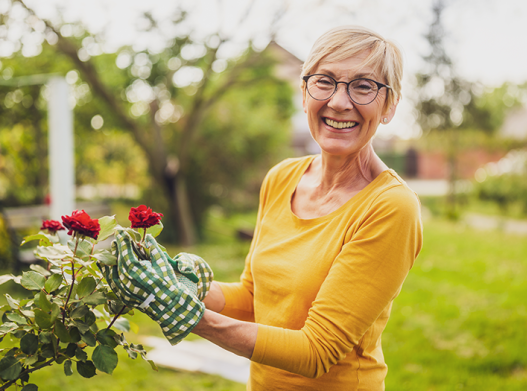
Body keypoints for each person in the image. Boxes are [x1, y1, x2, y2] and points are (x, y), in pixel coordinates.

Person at [107, 25, 422, 391]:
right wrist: (179, 285)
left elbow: (316, 351)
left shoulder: (390, 207)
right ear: (304, 93)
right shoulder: (282, 177)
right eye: (325, 81)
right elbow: (254, 298)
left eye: (364, 86)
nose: (339, 101)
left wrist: (190, 317)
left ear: (390, 106)